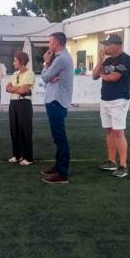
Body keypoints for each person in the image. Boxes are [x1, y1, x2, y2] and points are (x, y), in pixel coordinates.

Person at [93, 34, 130, 178]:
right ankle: (111, 161)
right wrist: (100, 61)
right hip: (105, 100)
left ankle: (123, 165)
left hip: (119, 101)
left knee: (118, 132)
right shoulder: (108, 60)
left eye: (108, 44)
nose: (105, 47)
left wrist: (103, 75)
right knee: (109, 131)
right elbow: (94, 75)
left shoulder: (126, 59)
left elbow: (114, 77)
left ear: (117, 45)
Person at [39, 32, 74, 184]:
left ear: (57, 43)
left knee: (60, 138)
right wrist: (50, 77)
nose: (49, 45)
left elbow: (44, 77)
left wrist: (46, 63)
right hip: (55, 101)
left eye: (50, 42)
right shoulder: (61, 58)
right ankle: (59, 167)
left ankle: (62, 173)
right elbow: (48, 79)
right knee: (58, 137)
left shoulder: (61, 59)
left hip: (56, 101)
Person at [5, 52, 35, 166]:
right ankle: (17, 155)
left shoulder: (30, 73)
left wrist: (14, 89)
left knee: (25, 130)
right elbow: (7, 88)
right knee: (14, 130)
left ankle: (28, 157)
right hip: (13, 103)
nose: (13, 63)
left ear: (21, 62)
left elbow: (24, 91)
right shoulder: (15, 73)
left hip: (24, 103)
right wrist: (18, 89)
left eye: (15, 61)